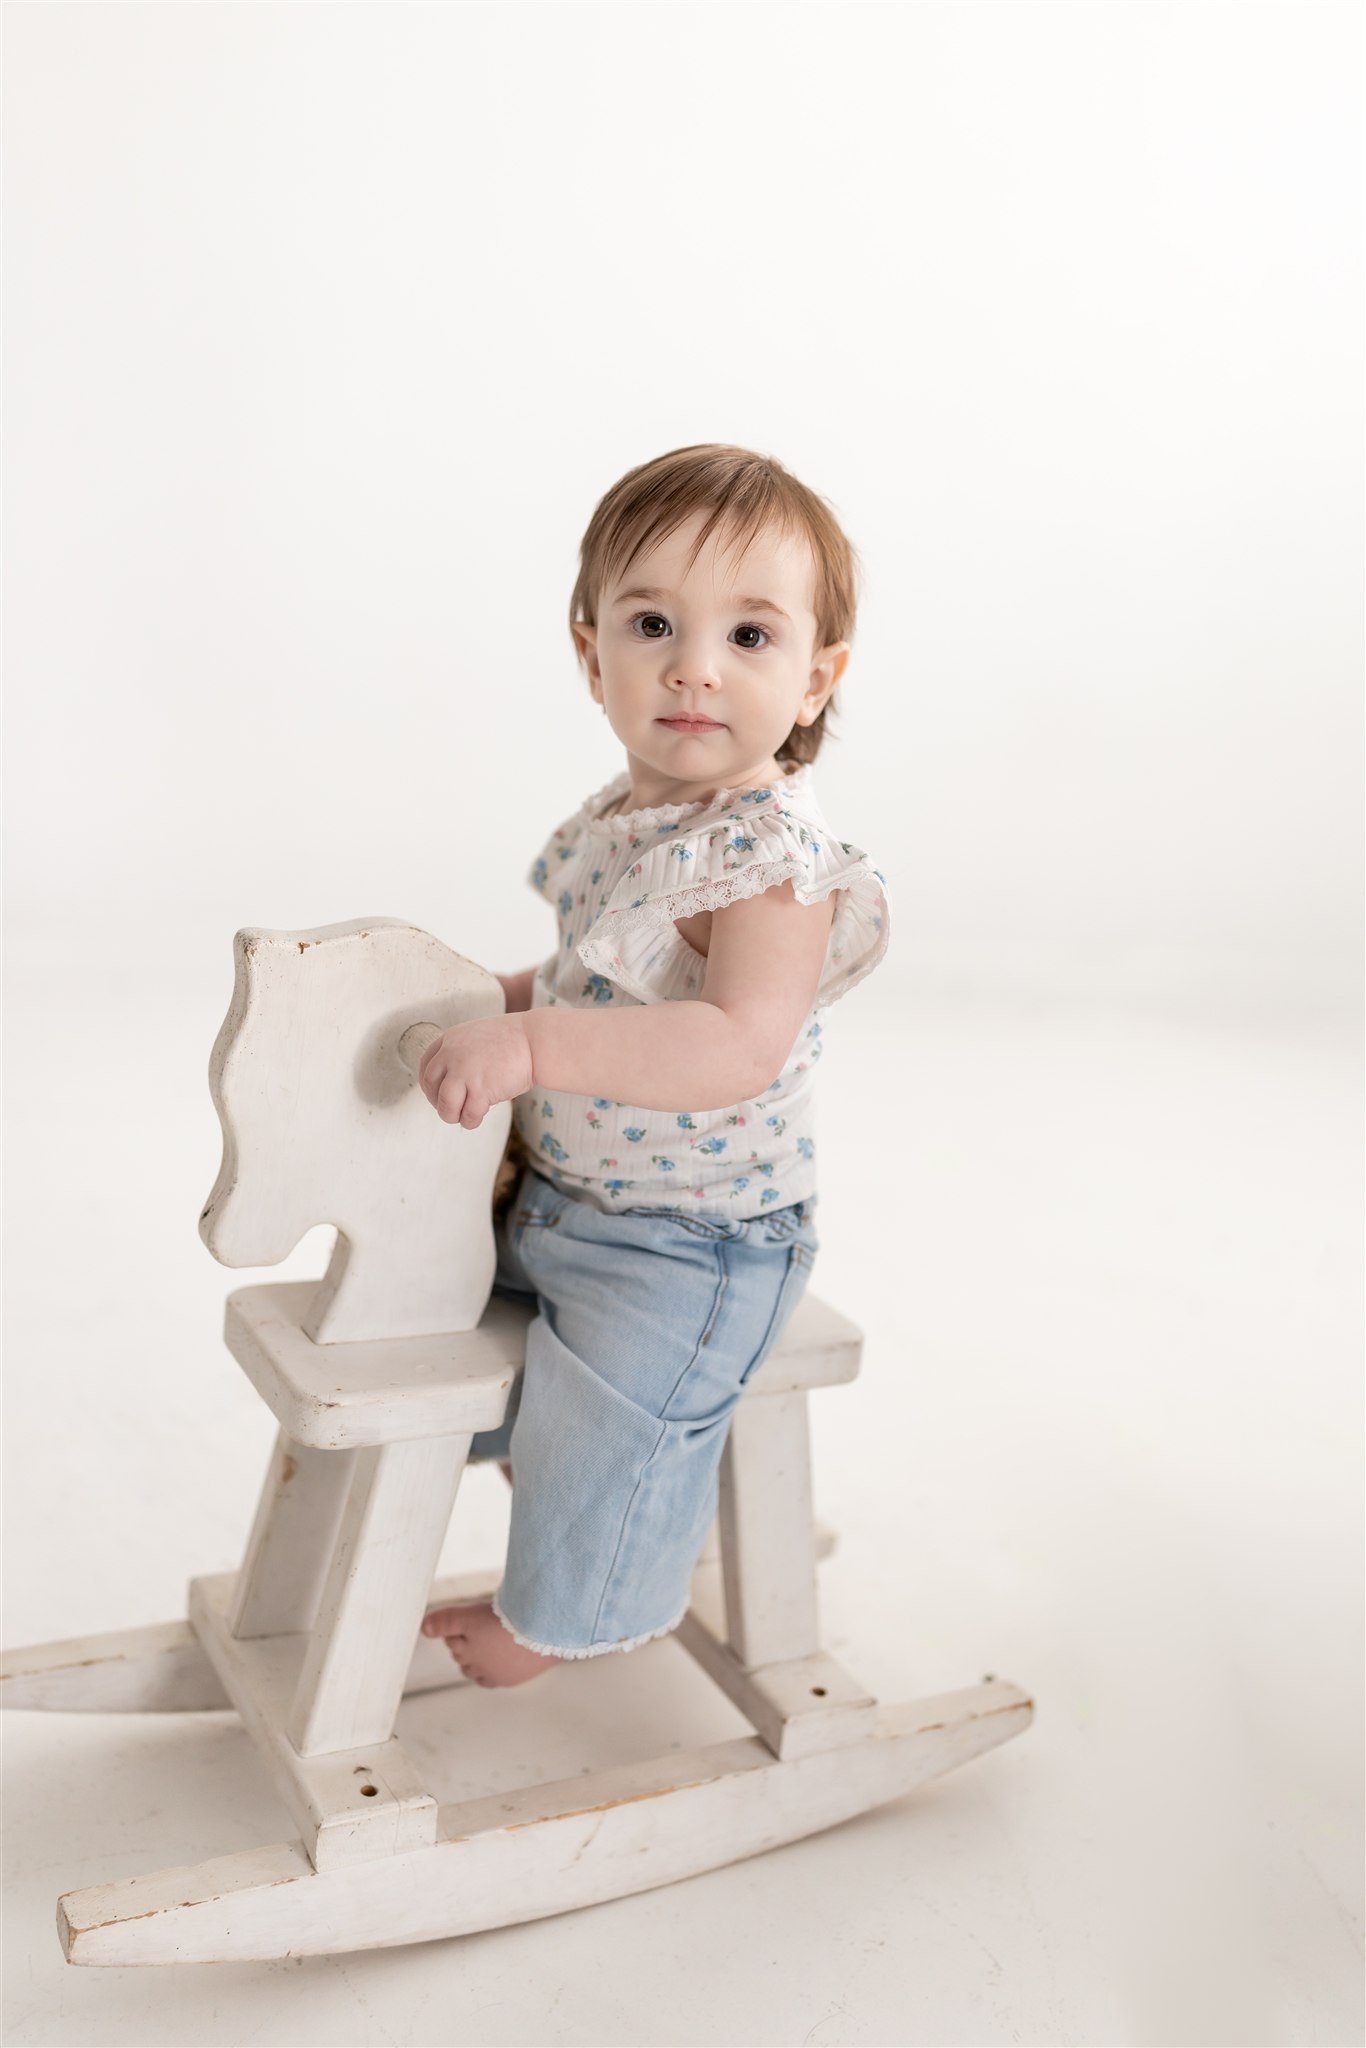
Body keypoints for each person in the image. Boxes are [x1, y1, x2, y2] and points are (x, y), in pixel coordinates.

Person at [418, 443, 891, 1687]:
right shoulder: (625, 824)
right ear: (592, 656)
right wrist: (486, 1003)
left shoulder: (773, 860)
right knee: (455, 1330)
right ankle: (554, 1473)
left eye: (748, 633)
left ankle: (553, 1624)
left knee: (615, 1424)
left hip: (693, 1243)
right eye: (651, 623)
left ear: (812, 679)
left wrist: (526, 1043)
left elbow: (732, 1041)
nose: (693, 664)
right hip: (562, 1197)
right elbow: (588, 976)